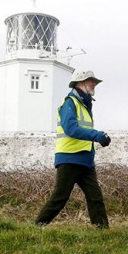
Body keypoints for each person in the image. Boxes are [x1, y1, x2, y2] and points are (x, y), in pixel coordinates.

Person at [35, 70, 111, 228]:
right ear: (80, 83)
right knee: (60, 197)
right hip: (69, 158)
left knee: (95, 197)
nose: (94, 83)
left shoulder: (85, 104)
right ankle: (38, 226)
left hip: (85, 160)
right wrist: (97, 136)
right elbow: (71, 129)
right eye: (90, 80)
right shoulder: (69, 103)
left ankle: (102, 230)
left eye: (94, 81)